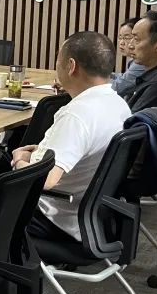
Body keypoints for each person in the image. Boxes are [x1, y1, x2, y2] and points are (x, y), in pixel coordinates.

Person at [9, 31, 133, 241]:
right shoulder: (119, 104)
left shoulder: (77, 115)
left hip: (51, 217)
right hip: (91, 217)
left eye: (58, 59)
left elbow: (45, 180)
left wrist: (19, 160)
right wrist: (39, 155)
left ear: (71, 66)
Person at [111, 17, 146, 94]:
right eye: (120, 38)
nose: (121, 43)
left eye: (127, 38)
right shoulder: (134, 60)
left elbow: (117, 87)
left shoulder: (141, 62)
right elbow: (124, 77)